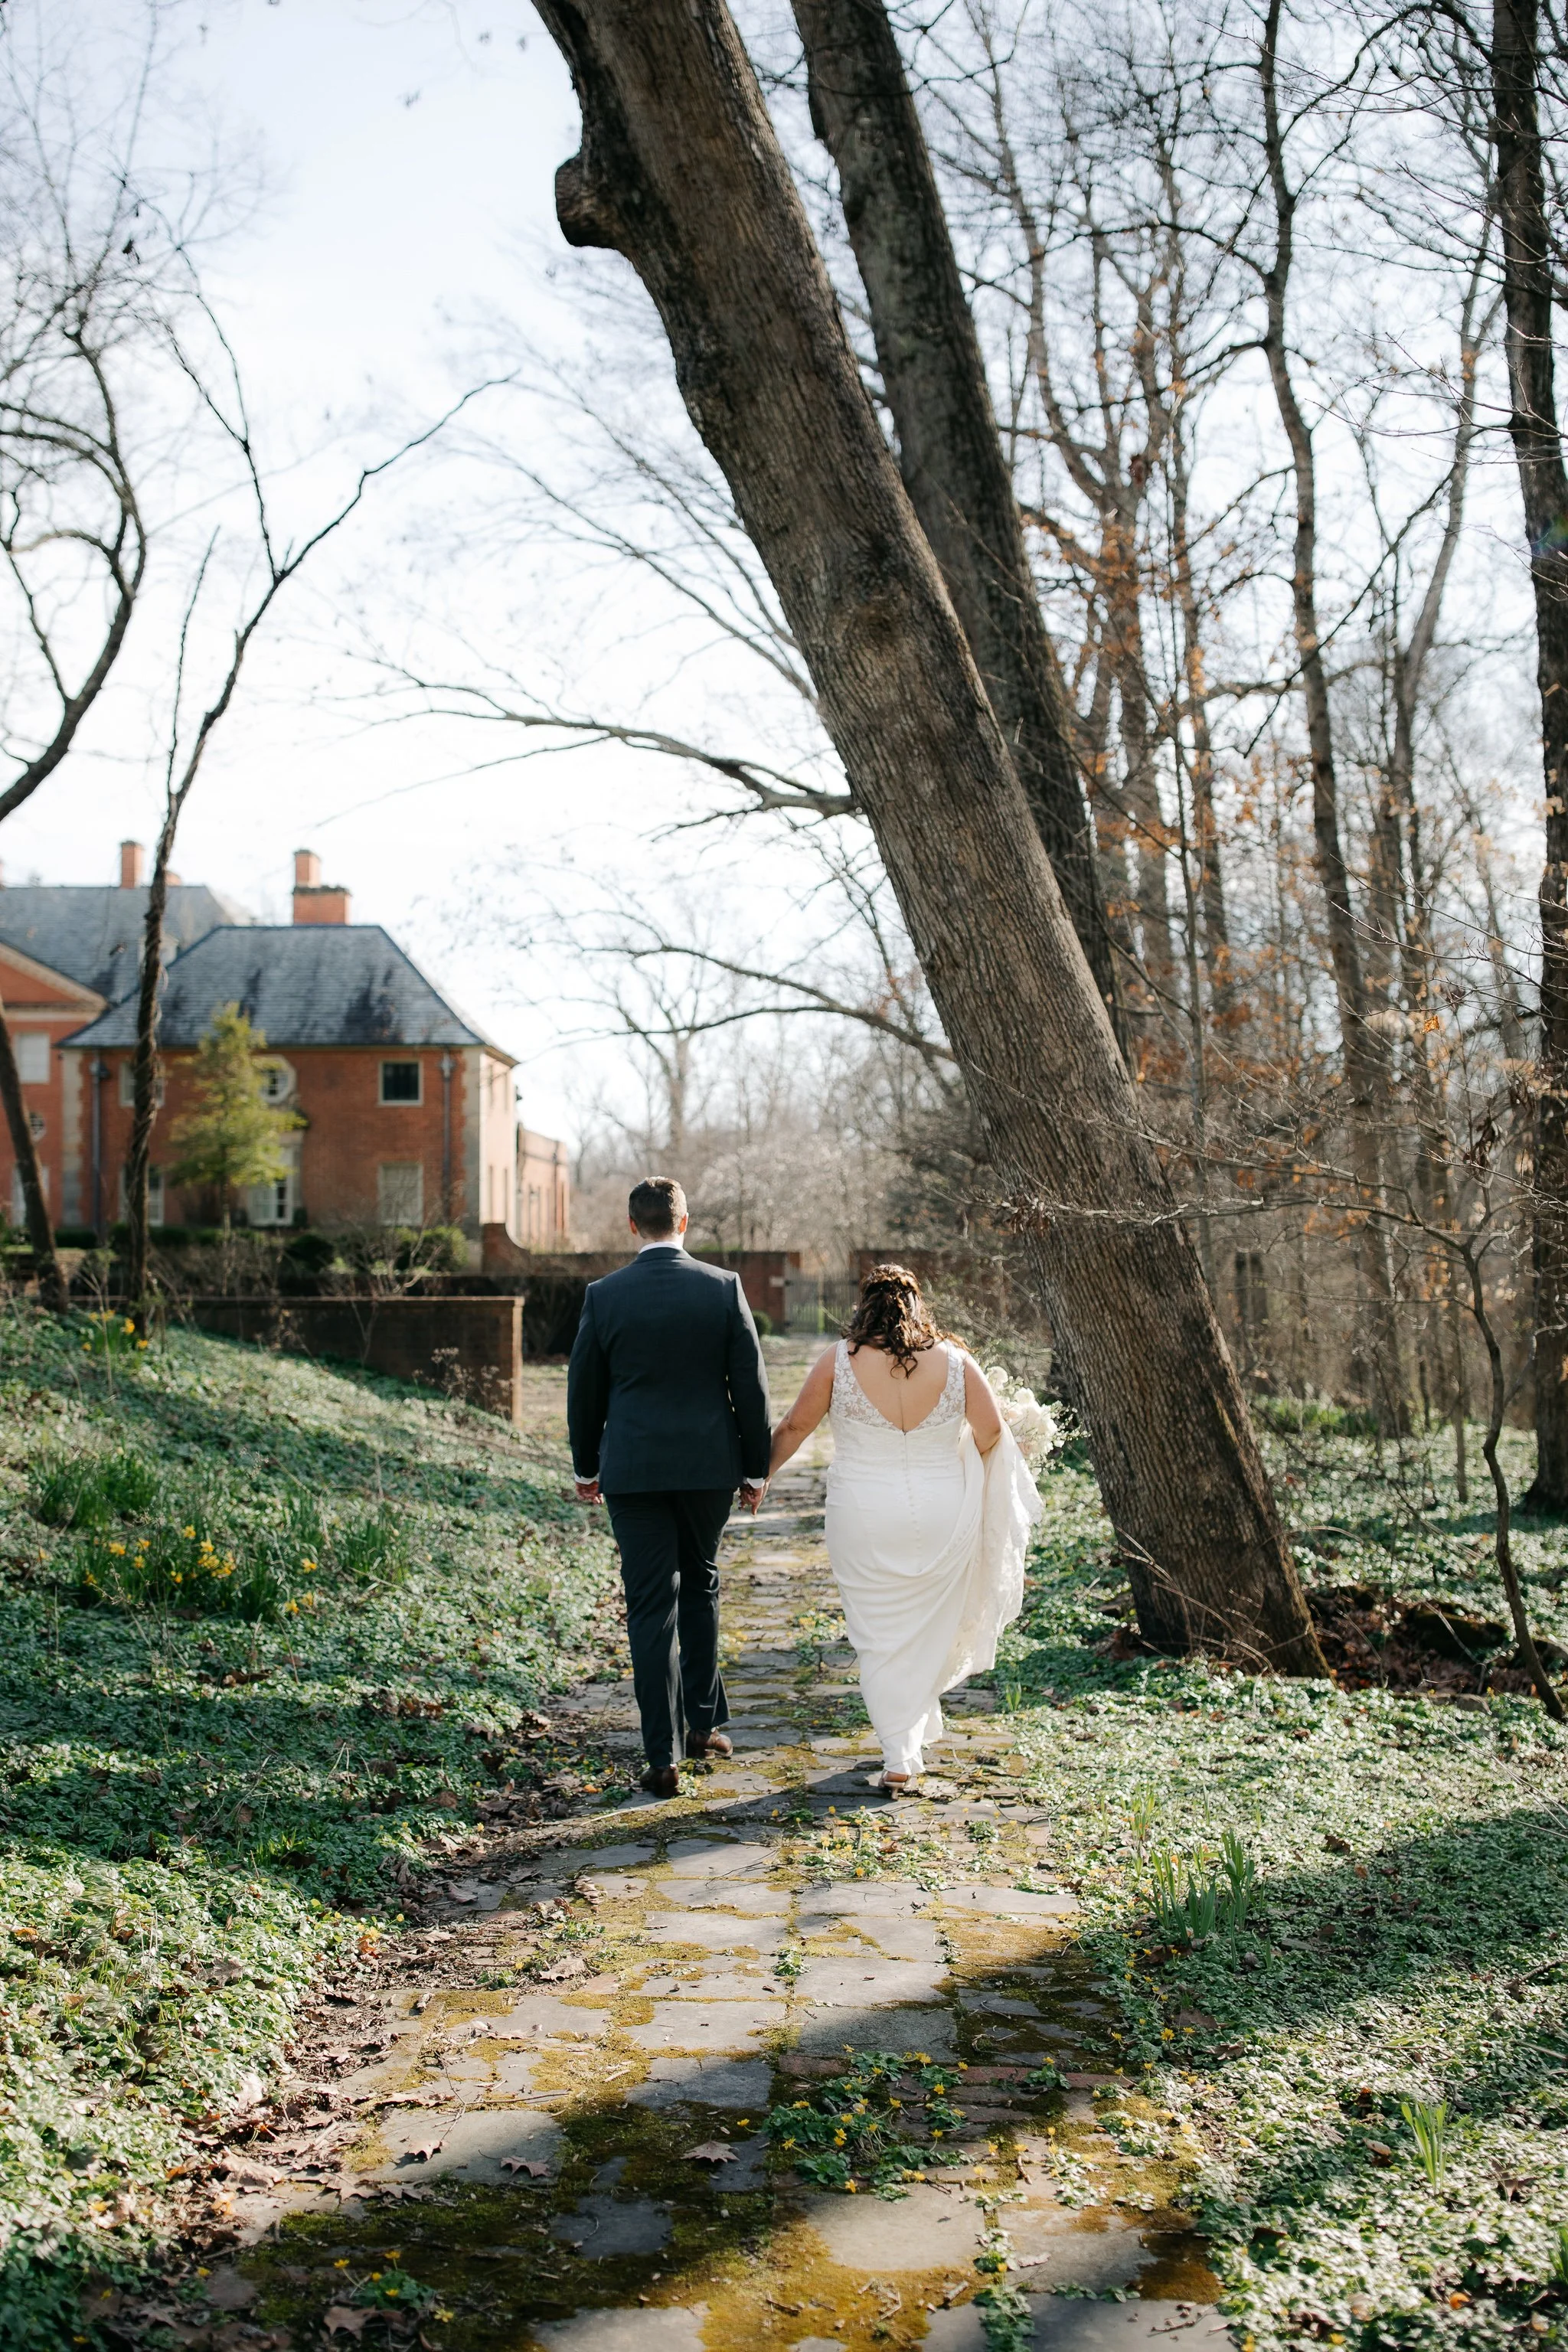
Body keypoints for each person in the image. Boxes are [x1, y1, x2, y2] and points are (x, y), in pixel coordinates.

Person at [768, 1263, 1040, 1792]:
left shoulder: (839, 1362)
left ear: (863, 1305)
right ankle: (905, 1745)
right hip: (942, 1511)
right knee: (927, 1629)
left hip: (864, 1514)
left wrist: (757, 1478)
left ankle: (899, 1752)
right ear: (918, 1305)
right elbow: (990, 1436)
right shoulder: (958, 1364)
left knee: (878, 1635)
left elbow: (795, 1426)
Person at [567, 1178, 772, 1799]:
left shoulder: (604, 1296)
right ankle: (704, 1727)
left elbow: (584, 1390)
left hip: (632, 1470)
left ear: (634, 1227)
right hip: (708, 1467)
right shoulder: (722, 1288)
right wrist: (755, 1469)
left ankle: (661, 1753)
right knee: (701, 1579)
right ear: (684, 1223)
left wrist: (586, 1466)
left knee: (650, 1605)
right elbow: (751, 1386)